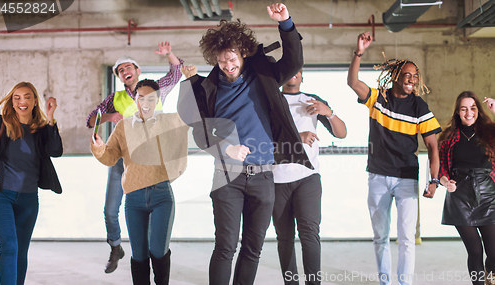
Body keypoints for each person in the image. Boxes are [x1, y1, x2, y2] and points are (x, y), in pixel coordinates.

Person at [179, 3, 310, 285]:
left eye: (233, 58)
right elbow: (199, 129)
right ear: (215, 59)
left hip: (263, 176)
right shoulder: (207, 89)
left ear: (242, 53)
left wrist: (285, 22)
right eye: (222, 61)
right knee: (226, 247)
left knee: (253, 249)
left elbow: (294, 61)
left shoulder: (263, 76)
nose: (228, 66)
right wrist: (225, 148)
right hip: (228, 177)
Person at [347, 32, 441, 285]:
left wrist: (434, 180)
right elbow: (353, 81)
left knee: (407, 237)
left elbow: (433, 146)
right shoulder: (378, 98)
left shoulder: (419, 107)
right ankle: (385, 282)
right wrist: (359, 52)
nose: (411, 79)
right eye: (407, 75)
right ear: (396, 76)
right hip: (377, 176)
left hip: (406, 179)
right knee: (380, 237)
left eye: (415, 76)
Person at [85, 42, 183, 273]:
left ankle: (152, 253)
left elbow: (176, 73)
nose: (124, 71)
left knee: (152, 213)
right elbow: (91, 119)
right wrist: (109, 117)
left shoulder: (155, 88)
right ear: (120, 77)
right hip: (122, 160)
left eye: (128, 67)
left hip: (151, 165)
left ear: (138, 71)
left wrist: (169, 54)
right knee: (110, 210)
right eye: (120, 70)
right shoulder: (115, 98)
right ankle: (116, 246)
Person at [273, 69, 347, 285]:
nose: (293, 74)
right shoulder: (271, 100)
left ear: (302, 76)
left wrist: (328, 112)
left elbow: (342, 133)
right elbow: (265, 138)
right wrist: (298, 138)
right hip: (277, 179)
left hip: (308, 178)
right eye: (289, 69)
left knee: (310, 235)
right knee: (284, 239)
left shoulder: (313, 101)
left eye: (298, 70)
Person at [0, 82, 62, 285]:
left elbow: (55, 150)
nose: (22, 101)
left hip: (29, 198)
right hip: (1, 195)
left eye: (27, 97)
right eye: (17, 97)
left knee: (21, 251)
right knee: (10, 246)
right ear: (12, 101)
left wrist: (50, 118)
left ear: (34, 101)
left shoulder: (41, 129)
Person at [438, 91, 495, 285]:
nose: (468, 113)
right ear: (457, 112)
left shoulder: (490, 132)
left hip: (489, 194)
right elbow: (440, 169)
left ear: (478, 110)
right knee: (475, 250)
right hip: (460, 196)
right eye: (464, 109)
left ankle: (490, 276)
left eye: (472, 108)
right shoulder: (448, 137)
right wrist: (446, 183)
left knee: (494, 252)